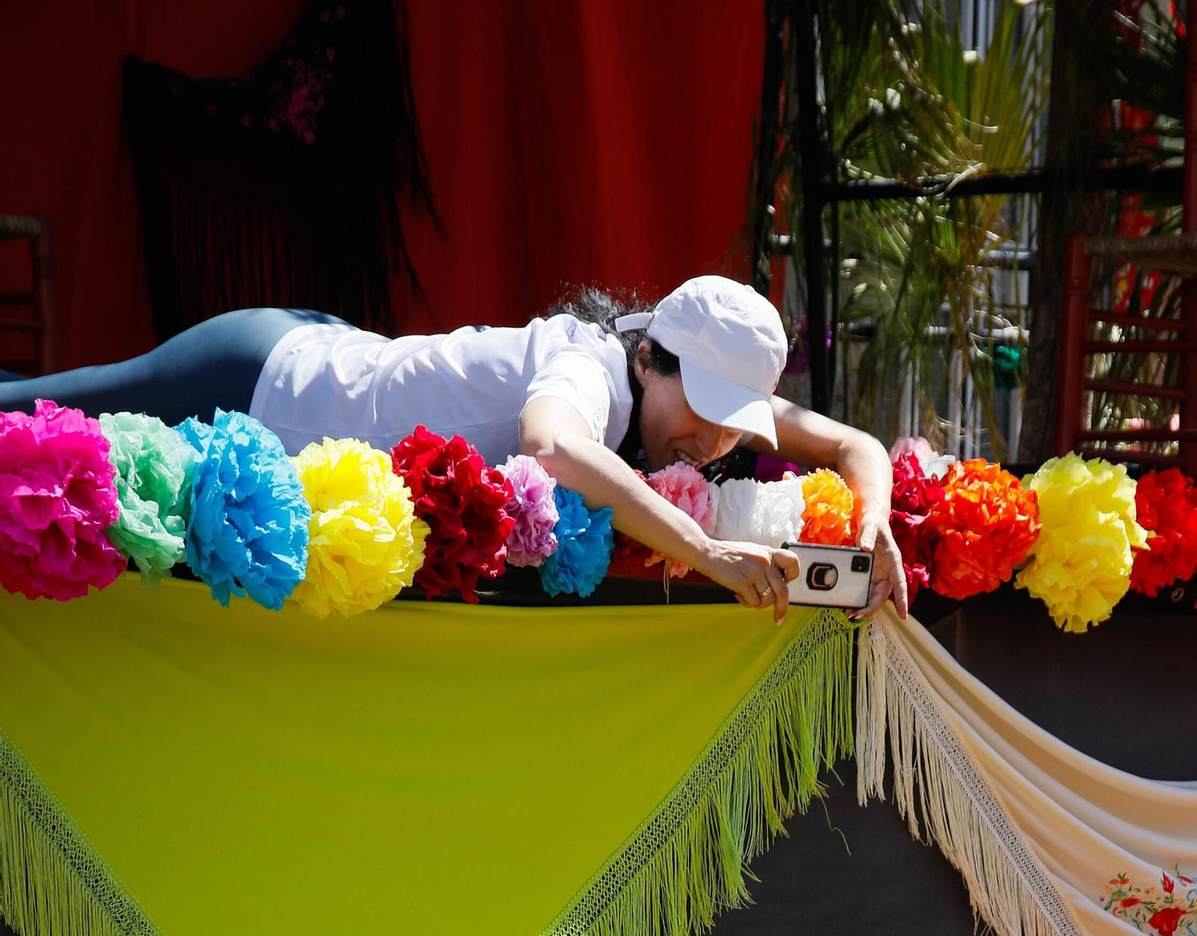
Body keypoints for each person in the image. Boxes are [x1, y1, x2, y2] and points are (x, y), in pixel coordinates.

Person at [0, 277, 907, 618]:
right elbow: (552, 448)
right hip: (264, 374)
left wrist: (876, 528)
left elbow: (851, 442)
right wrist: (704, 550)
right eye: (702, 409)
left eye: (732, 422)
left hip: (327, 351)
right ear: (647, 358)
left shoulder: (672, 382)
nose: (711, 442)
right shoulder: (590, 363)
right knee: (26, 414)